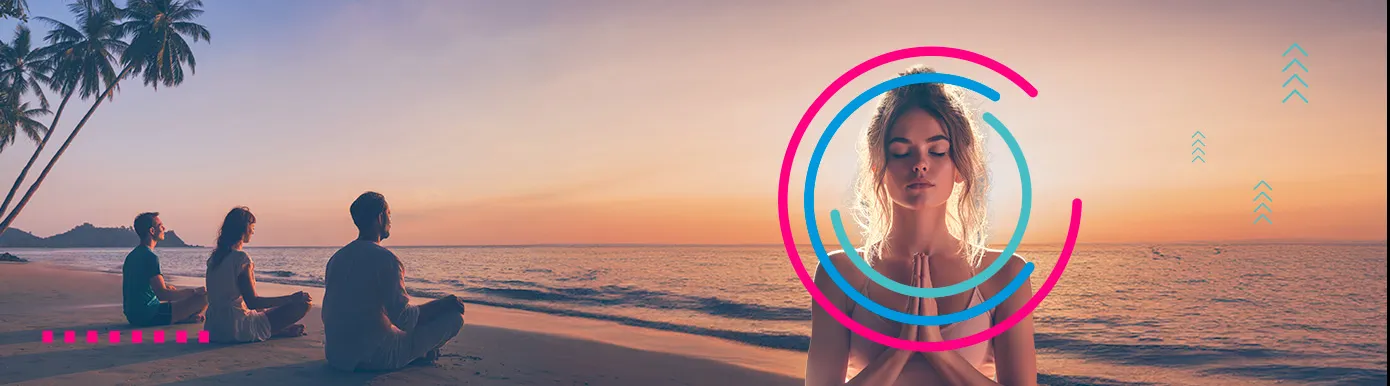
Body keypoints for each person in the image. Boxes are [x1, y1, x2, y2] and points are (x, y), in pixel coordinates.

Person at [804, 66, 1039, 386]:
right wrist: (899, 351)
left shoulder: (1005, 274)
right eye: (901, 151)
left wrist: (938, 351)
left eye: (937, 150)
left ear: (959, 166)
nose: (920, 163)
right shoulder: (840, 274)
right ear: (878, 168)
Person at [322, 192, 466, 371]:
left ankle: (418, 353)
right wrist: (443, 304)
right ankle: (416, 354)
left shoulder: (337, 258)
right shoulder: (387, 260)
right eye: (389, 214)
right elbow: (404, 319)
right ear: (381, 217)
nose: (391, 220)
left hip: (337, 356)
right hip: (373, 358)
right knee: (454, 318)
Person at [204, 206, 312, 343]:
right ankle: (274, 331)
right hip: (235, 329)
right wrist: (290, 298)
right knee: (303, 304)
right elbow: (252, 302)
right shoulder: (241, 258)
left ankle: (277, 330)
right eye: (252, 226)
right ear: (244, 228)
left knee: (261, 314)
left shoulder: (215, 258)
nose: (253, 231)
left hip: (212, 331)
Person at [122, 212, 208, 327]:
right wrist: (193, 292)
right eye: (160, 226)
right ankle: (181, 318)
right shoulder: (150, 257)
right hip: (148, 315)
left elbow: (140, 285)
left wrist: (168, 287)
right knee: (204, 297)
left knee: (171, 290)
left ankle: (183, 317)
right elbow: (162, 295)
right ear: (152, 231)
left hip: (132, 315)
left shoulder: (132, 255)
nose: (164, 228)